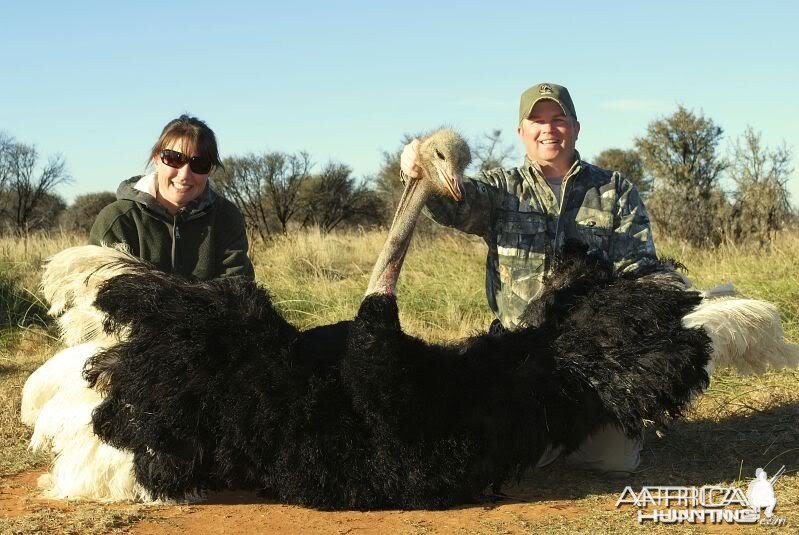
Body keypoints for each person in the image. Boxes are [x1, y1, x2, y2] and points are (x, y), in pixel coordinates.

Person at [400, 82, 683, 473]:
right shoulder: (501, 191)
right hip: (516, 356)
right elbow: (453, 206)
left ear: (576, 128)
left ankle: (558, 438)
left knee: (614, 460)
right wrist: (421, 170)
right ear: (522, 133)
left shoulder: (614, 191)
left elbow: (641, 269)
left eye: (558, 120)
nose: (548, 129)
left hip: (593, 359)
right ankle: (540, 439)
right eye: (537, 121)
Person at [90, 115, 254, 280]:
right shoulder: (117, 220)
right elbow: (103, 292)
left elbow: (236, 287)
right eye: (173, 159)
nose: (184, 175)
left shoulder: (227, 217)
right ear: (156, 160)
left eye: (199, 164)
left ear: (210, 170)